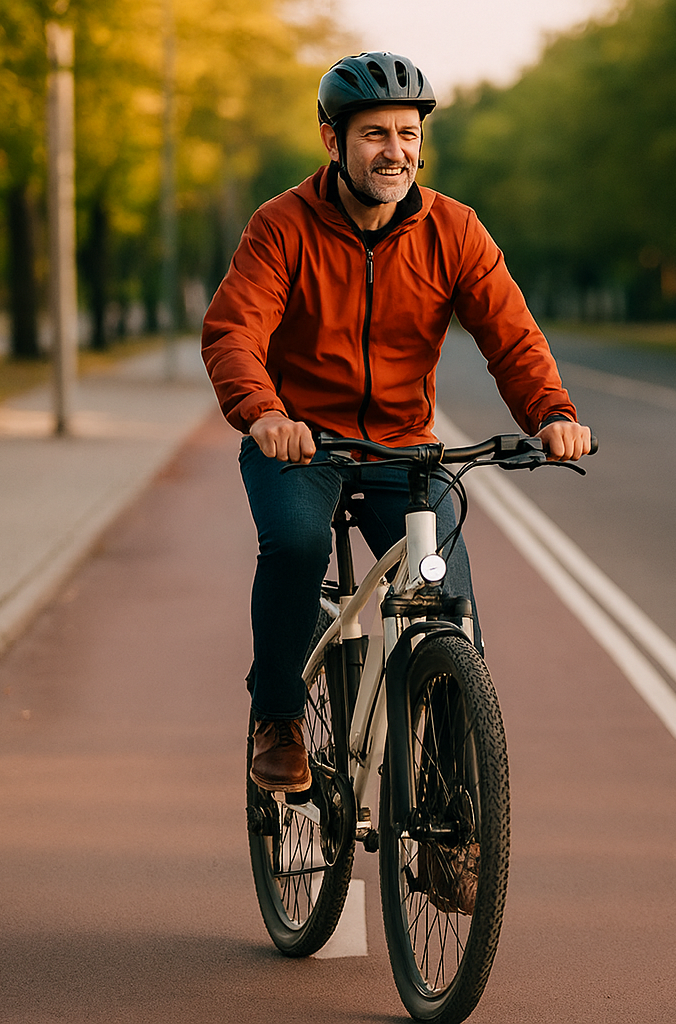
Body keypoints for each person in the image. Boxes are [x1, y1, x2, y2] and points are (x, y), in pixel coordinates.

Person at [202, 52, 591, 794]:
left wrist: (551, 413)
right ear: (332, 141)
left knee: (450, 611)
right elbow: (234, 333)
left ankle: (452, 813)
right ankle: (278, 715)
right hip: (300, 443)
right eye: (375, 133)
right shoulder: (280, 226)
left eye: (408, 133)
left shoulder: (455, 230)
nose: (396, 151)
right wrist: (264, 414)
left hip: (403, 450)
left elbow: (510, 336)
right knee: (296, 544)